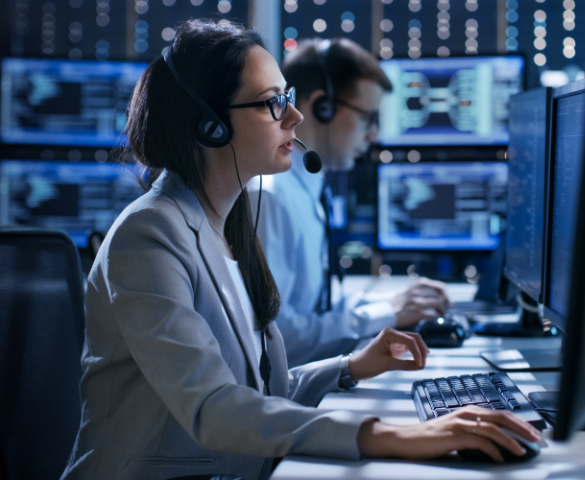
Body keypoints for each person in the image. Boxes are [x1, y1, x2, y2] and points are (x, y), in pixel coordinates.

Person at [61, 20, 540, 480]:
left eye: (287, 98)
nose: (295, 116)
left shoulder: (228, 223)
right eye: (273, 103)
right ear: (210, 125)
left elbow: (261, 390)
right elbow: (212, 407)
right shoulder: (149, 236)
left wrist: (351, 366)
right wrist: (394, 435)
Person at [247, 38, 449, 368]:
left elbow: (317, 306)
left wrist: (392, 304)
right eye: (368, 119)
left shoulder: (307, 189)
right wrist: (388, 313)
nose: (373, 136)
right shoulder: (269, 198)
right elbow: (276, 339)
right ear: (321, 107)